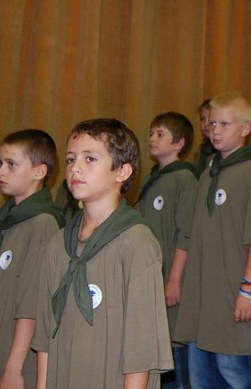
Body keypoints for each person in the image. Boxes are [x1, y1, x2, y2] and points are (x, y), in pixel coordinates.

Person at [32, 118, 173, 388]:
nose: (76, 168)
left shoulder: (136, 242)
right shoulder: (58, 244)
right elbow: (45, 337)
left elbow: (141, 348)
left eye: (90, 159)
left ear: (122, 172)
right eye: (71, 159)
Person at [174, 92, 251, 388]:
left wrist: (248, 290)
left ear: (245, 128)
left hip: (233, 291)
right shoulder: (207, 174)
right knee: (201, 376)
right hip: (203, 296)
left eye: (225, 124)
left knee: (234, 372)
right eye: (212, 123)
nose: (215, 130)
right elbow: (193, 235)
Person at [0, 130, 66, 388]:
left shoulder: (43, 224)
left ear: (39, 171)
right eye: (0, 163)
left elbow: (31, 305)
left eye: (11, 164)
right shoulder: (3, 222)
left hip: (13, 353)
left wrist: (14, 369)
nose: (0, 172)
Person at [135, 112, 198, 389]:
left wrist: (174, 279)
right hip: (150, 278)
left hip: (171, 278)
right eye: (151, 132)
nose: (152, 138)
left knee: (173, 347)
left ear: (179, 143)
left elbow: (186, 233)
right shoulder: (152, 178)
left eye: (160, 134)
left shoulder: (184, 179)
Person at [193, 99, 216, 177]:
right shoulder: (201, 149)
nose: (206, 124)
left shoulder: (224, 149)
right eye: (203, 119)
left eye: (210, 119)